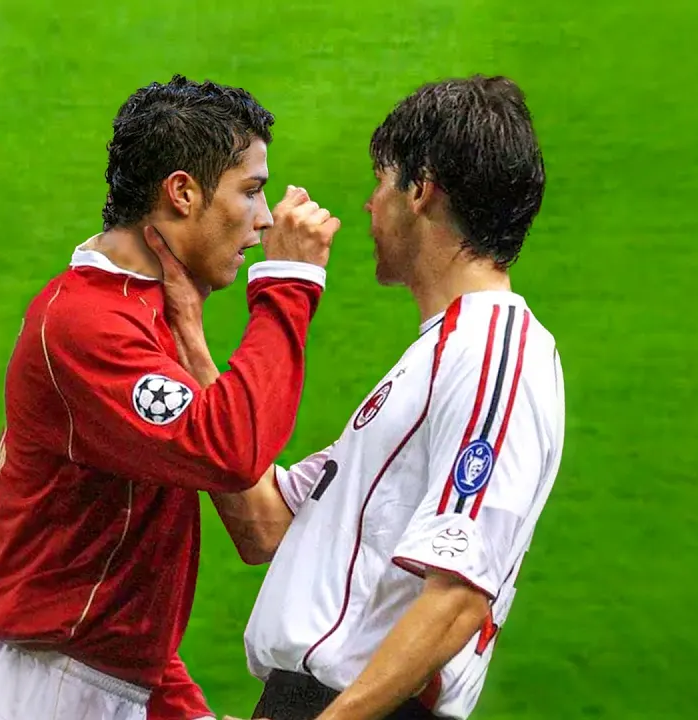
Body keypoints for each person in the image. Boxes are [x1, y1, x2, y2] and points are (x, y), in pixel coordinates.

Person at [0, 74, 341, 720]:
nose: (266, 218)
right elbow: (230, 451)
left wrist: (181, 709)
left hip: (78, 679)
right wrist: (290, 282)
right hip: (25, 693)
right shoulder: (89, 322)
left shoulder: (143, 316)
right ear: (183, 193)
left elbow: (126, 566)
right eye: (250, 191)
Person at [164, 74, 565, 720]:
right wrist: (189, 338)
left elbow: (458, 598)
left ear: (421, 189)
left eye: (380, 182)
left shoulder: (495, 355)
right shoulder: (433, 360)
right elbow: (266, 526)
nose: (369, 206)